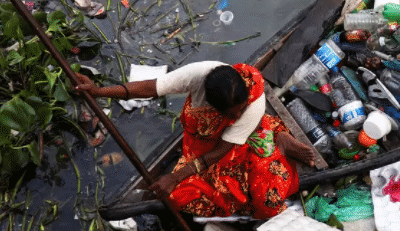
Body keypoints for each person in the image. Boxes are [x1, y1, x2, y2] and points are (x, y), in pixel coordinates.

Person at [74, 61, 317, 219]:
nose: (235, 117)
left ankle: (277, 137)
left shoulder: (253, 102)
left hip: (226, 147)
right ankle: (272, 134)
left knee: (265, 203)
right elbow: (149, 88)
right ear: (212, 106)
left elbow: (221, 151)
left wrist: (176, 176)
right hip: (201, 145)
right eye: (228, 114)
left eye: (239, 110)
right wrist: (99, 91)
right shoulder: (198, 75)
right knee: (180, 196)